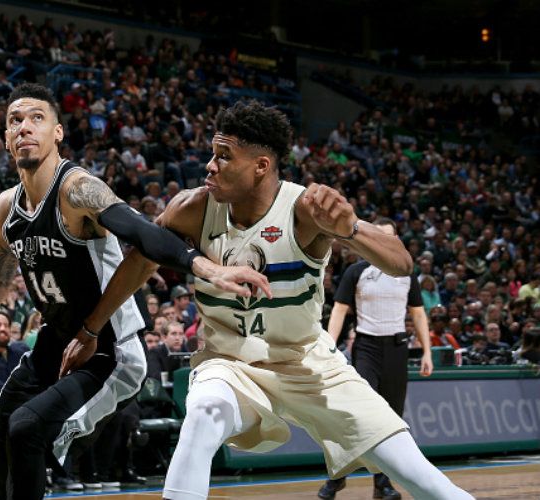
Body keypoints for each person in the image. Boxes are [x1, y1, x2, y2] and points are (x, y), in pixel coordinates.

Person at [0, 84, 269, 500]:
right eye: (15, 121)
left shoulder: (76, 189)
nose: (24, 127)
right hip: (56, 342)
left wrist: (204, 267)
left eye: (36, 118)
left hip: (107, 347)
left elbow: (142, 233)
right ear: (6, 139)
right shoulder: (7, 208)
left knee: (25, 430)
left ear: (57, 132)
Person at [137, 100, 472, 500]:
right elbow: (141, 253)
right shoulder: (193, 208)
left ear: (261, 165)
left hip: (308, 360)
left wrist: (350, 230)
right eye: (213, 153)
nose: (209, 165)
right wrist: (92, 326)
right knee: (203, 414)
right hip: (229, 362)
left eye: (223, 156)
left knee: (424, 479)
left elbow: (401, 263)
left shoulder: (304, 208)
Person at [318, 218, 434, 500]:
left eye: (389, 238)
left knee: (391, 420)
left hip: (397, 349)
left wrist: (427, 351)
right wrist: (330, 347)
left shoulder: (407, 274)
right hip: (366, 348)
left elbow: (418, 314)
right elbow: (340, 310)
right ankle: (338, 476)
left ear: (396, 242)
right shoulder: (356, 271)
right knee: (360, 416)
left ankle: (382, 484)